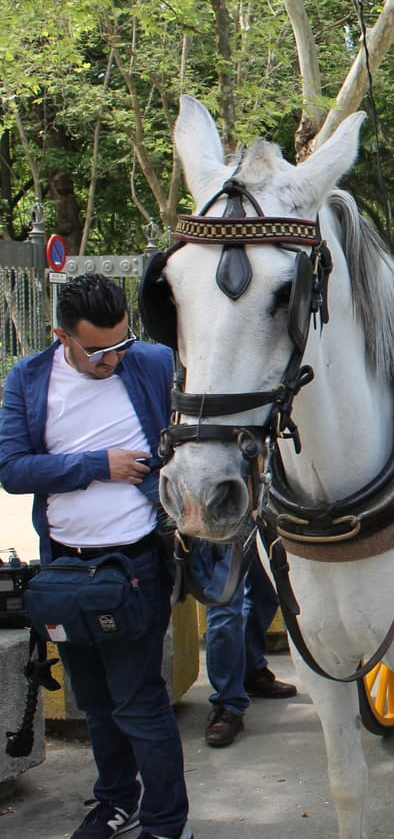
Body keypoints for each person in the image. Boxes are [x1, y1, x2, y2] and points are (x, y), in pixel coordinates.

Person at [0, 274, 192, 839]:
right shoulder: (29, 380)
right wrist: (96, 465)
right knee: (94, 701)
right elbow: (12, 469)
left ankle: (165, 822)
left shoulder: (152, 364)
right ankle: (115, 801)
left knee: (138, 701)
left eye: (121, 344)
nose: (113, 359)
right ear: (62, 335)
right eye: (97, 350)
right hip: (63, 568)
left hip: (134, 565)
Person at [196, 534, 297, 748]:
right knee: (224, 606)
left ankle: (250, 671)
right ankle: (227, 704)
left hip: (261, 510)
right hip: (223, 516)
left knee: (267, 591)